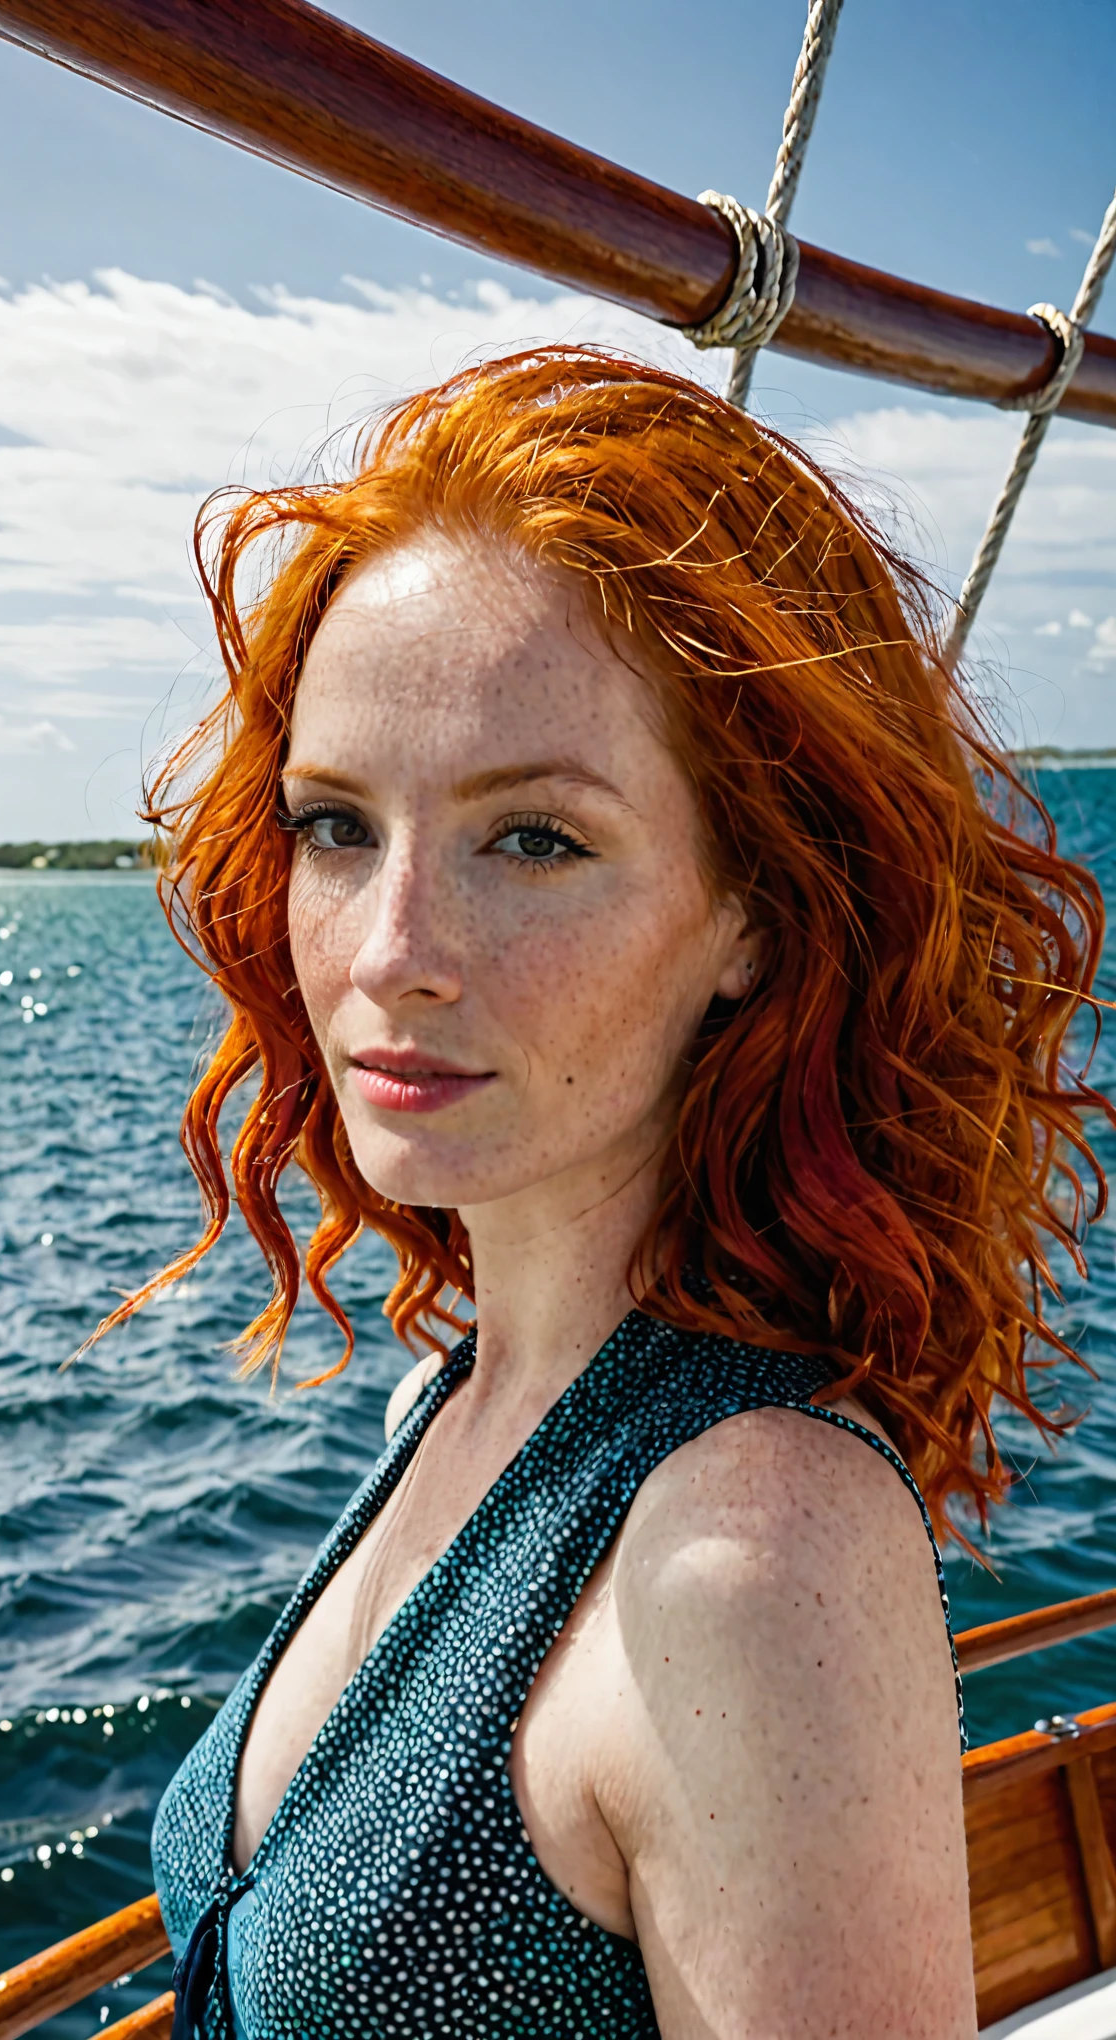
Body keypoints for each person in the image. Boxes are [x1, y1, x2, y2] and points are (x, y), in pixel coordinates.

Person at [113, 348, 1110, 2038]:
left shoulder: (747, 1558)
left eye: (537, 840)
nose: (390, 953)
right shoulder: (457, 1400)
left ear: (758, 920)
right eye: (337, 827)